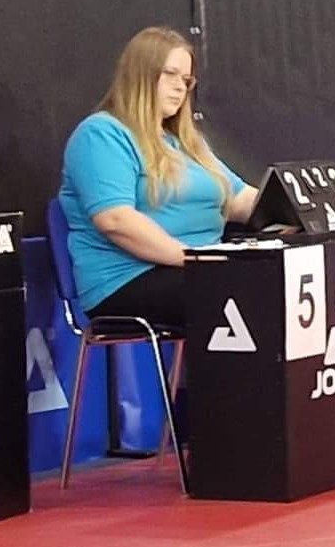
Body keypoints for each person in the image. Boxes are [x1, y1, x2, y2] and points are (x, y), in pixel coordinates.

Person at [58, 26, 258, 328]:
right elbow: (115, 220)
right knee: (251, 290)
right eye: (171, 75)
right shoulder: (101, 134)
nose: (180, 87)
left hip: (199, 270)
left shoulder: (187, 143)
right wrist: (193, 259)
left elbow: (239, 200)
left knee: (289, 278)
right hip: (128, 279)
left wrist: (294, 211)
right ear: (141, 74)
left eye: (186, 80)